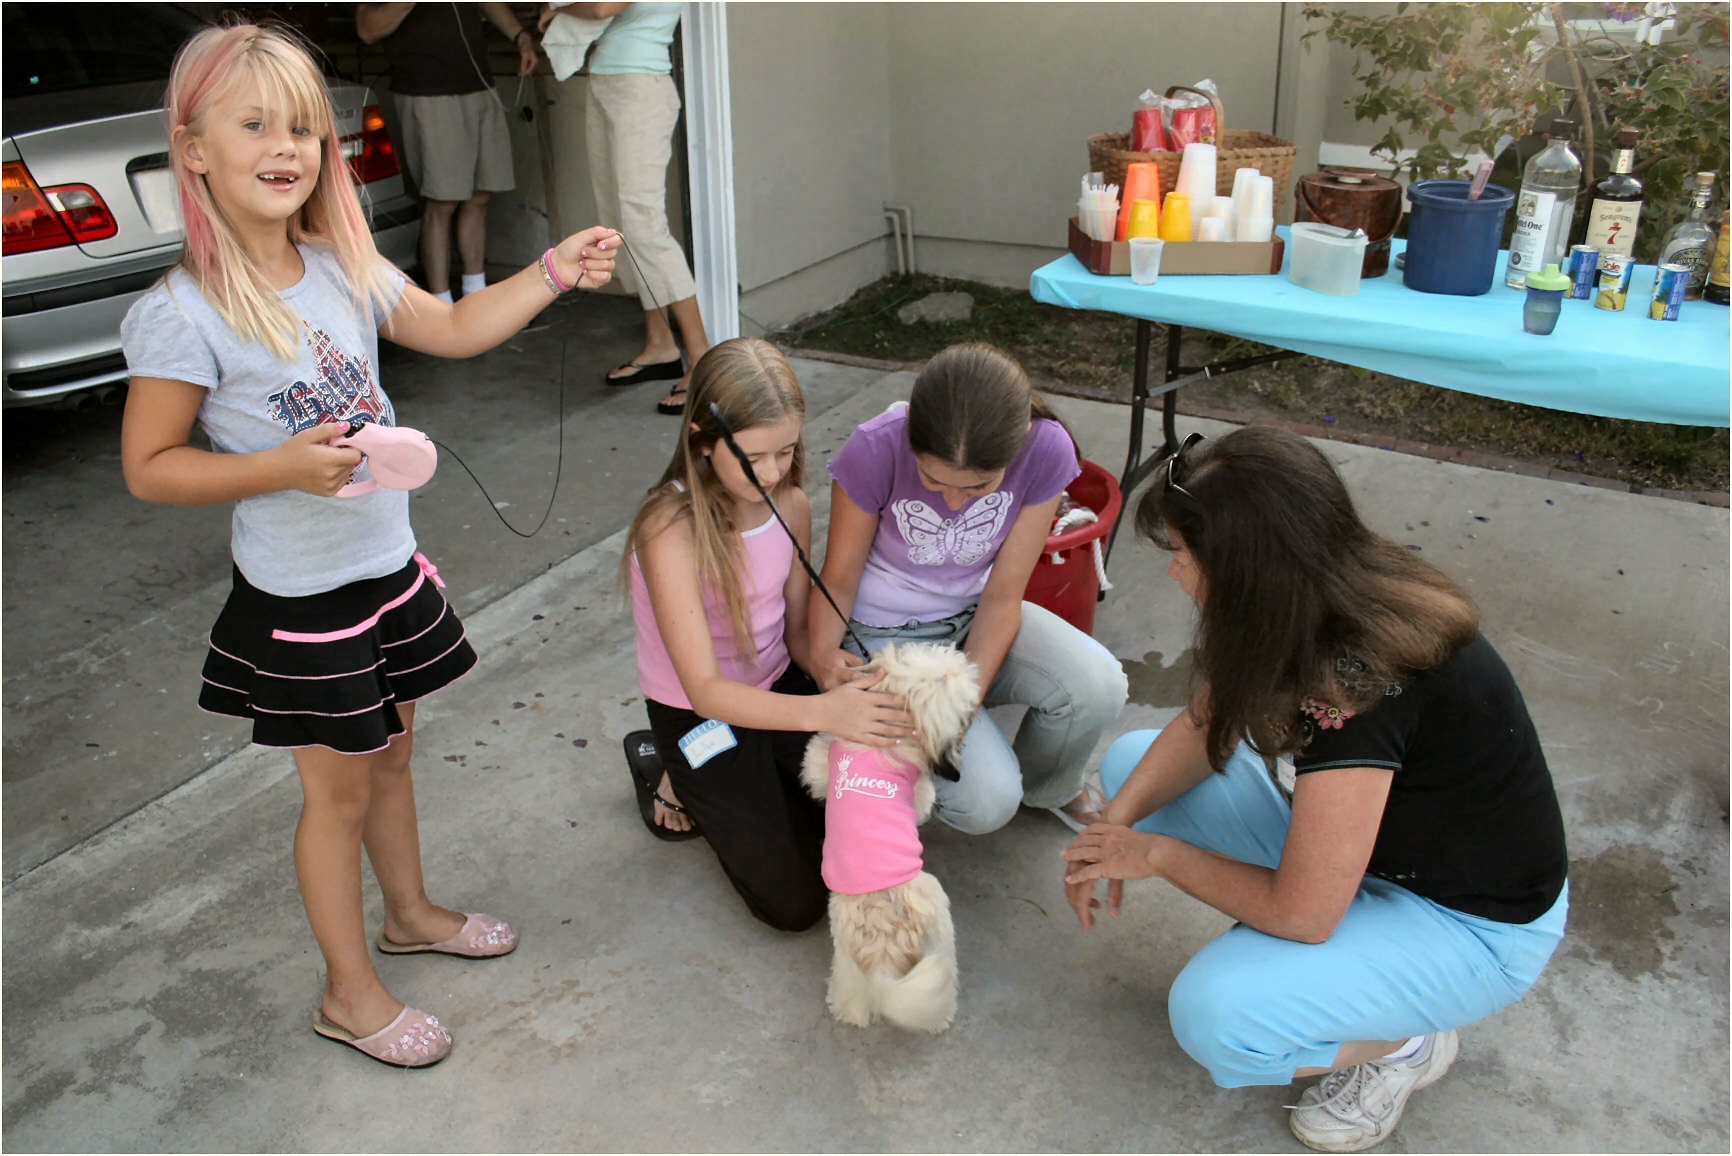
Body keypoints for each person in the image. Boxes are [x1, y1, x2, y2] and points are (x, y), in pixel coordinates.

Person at [118, 22, 617, 1068]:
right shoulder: (183, 314)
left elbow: (450, 329)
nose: (285, 144)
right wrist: (277, 467)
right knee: (335, 792)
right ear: (195, 147)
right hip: (302, 600)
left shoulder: (339, 263)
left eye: (301, 126)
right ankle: (349, 992)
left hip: (385, 571)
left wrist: (551, 273)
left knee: (392, 755)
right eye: (254, 123)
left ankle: (410, 915)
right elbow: (151, 466)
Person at [1060, 427, 1569, 1153]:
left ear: (1244, 571)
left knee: (1217, 1016)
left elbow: (1301, 914)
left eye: (1181, 554)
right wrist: (1114, 829)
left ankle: (1400, 1042)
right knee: (1134, 769)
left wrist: (1153, 856)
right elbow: (1207, 719)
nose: (1173, 573)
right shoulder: (1326, 591)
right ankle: (1350, 973)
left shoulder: (1357, 686)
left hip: (1474, 928)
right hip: (1389, 857)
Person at [623, 337, 914, 930]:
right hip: (700, 714)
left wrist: (833, 668)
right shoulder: (668, 527)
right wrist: (827, 714)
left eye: (786, 450)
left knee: (863, 828)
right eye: (754, 456)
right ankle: (667, 770)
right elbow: (705, 689)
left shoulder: (793, 505)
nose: (773, 471)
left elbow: (795, 632)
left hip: (780, 687)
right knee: (797, 905)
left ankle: (726, 786)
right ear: (702, 438)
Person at [809, 343, 1129, 836]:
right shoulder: (875, 447)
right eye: (933, 480)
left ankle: (1050, 787)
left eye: (978, 487)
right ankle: (917, 780)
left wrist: (963, 703)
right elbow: (840, 579)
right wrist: (822, 654)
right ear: (911, 436)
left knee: (1098, 684)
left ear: (1019, 438)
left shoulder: (1046, 448)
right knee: (986, 805)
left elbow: (1004, 595)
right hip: (884, 634)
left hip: (976, 613)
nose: (955, 501)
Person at [551, 2, 710, 414]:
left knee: (644, 228)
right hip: (607, 80)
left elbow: (604, 6)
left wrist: (560, 6)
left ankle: (704, 362)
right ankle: (660, 344)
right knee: (617, 223)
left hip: (641, 87)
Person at [356, 2, 538, 302]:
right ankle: (441, 304)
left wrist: (520, 36)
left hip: (478, 85)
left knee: (481, 194)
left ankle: (475, 295)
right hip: (429, 92)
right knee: (442, 201)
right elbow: (367, 29)